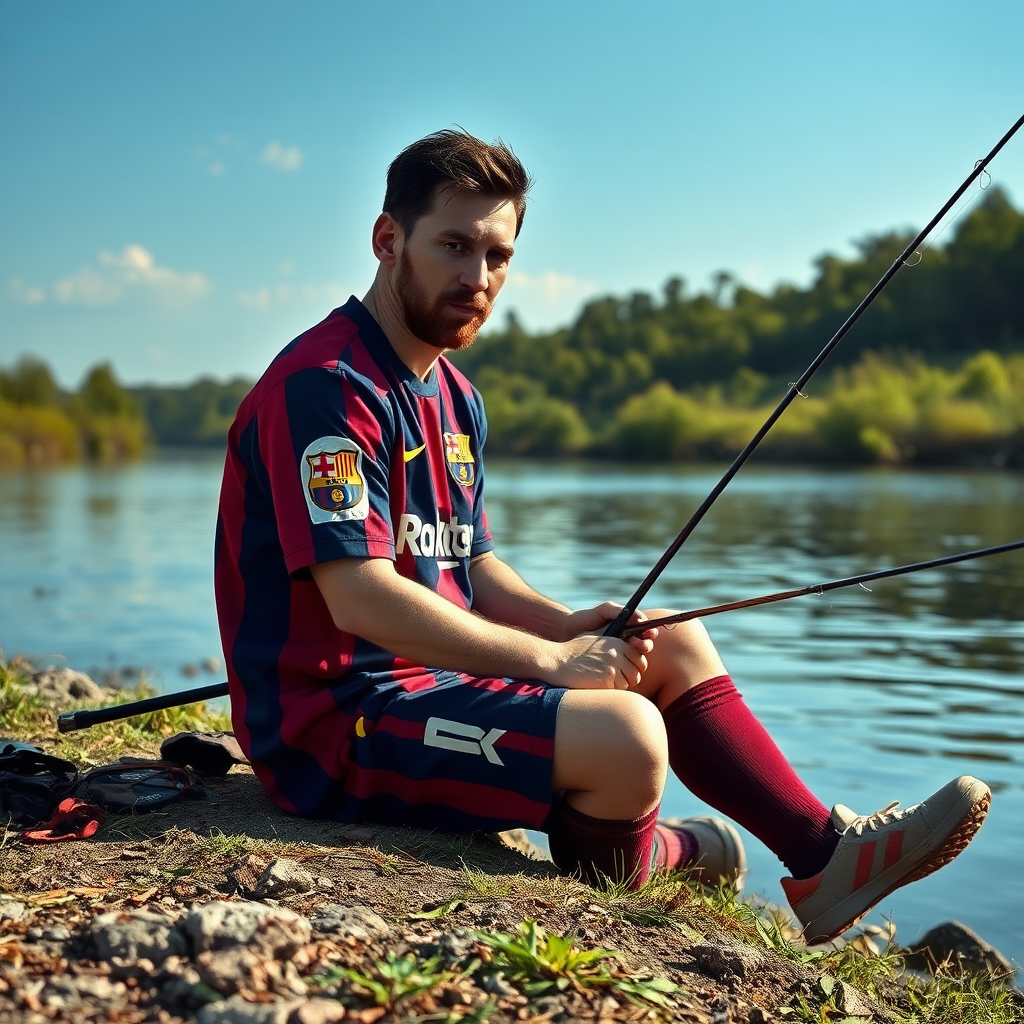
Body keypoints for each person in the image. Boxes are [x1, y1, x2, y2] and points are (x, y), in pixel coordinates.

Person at [214, 129, 991, 944]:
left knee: (668, 640)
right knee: (626, 737)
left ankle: (824, 857)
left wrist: (563, 624)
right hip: (332, 724)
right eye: (453, 245)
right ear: (387, 240)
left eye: (498, 255)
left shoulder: (456, 398)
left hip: (423, 685)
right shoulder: (326, 387)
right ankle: (682, 848)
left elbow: (468, 565)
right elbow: (360, 595)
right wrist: (551, 665)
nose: (477, 278)